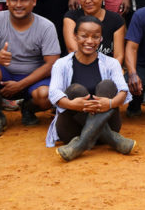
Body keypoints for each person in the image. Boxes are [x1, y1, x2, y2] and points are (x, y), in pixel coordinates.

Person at [0, 0, 62, 136]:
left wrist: (20, 85)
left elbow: (52, 64)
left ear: (33, 1)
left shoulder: (46, 26)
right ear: (7, 1)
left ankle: (28, 109)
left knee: (44, 96)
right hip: (5, 76)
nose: (18, 4)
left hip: (34, 80)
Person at [46, 15, 136, 160]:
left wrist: (110, 103)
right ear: (75, 37)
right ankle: (112, 139)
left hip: (107, 122)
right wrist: (71, 104)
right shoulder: (61, 64)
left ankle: (80, 144)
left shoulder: (111, 63)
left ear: (101, 39)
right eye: (84, 36)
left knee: (107, 85)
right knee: (75, 90)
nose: (89, 41)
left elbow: (123, 92)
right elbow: (54, 94)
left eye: (95, 37)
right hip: (71, 130)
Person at [63, 0, 127, 58]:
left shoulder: (116, 20)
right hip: (77, 65)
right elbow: (73, 49)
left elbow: (118, 55)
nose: (87, 1)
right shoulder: (71, 17)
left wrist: (110, 69)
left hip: (106, 67)